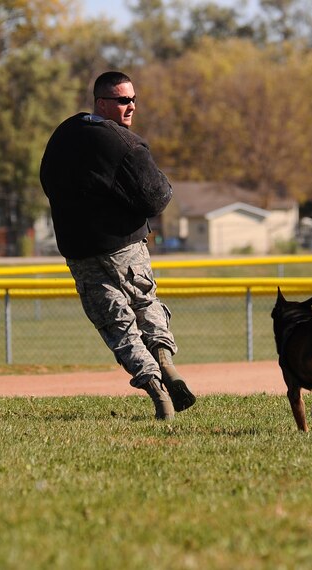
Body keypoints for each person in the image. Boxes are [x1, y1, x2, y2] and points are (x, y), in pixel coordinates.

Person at [39, 71, 195, 420]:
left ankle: (158, 391)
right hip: (125, 247)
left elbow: (48, 181)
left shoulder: (64, 134)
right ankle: (166, 364)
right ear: (102, 103)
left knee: (116, 324)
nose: (131, 106)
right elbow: (157, 197)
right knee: (144, 302)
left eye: (134, 99)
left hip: (79, 250)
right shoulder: (125, 144)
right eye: (124, 100)